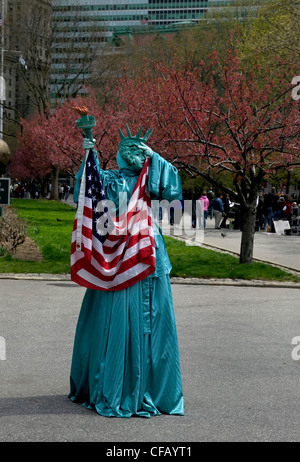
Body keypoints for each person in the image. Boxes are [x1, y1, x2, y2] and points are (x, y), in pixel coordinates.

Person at [69, 118, 184, 418]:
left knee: (152, 319)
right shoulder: (110, 181)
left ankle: (147, 387)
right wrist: (89, 150)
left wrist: (155, 157)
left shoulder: (151, 176)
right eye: (127, 148)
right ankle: (118, 384)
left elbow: (173, 196)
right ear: (119, 153)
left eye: (137, 149)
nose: (132, 153)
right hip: (117, 254)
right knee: (117, 317)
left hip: (147, 252)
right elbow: (85, 190)